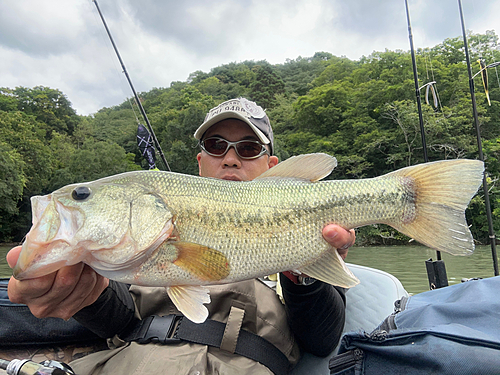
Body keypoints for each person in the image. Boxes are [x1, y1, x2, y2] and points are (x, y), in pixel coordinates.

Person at [6, 98, 356, 375]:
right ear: (200, 161)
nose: (231, 159)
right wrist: (86, 297)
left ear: (272, 165)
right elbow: (121, 321)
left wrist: (306, 274)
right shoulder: (135, 240)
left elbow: (322, 340)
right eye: (217, 145)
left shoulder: (312, 225)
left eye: (248, 148)